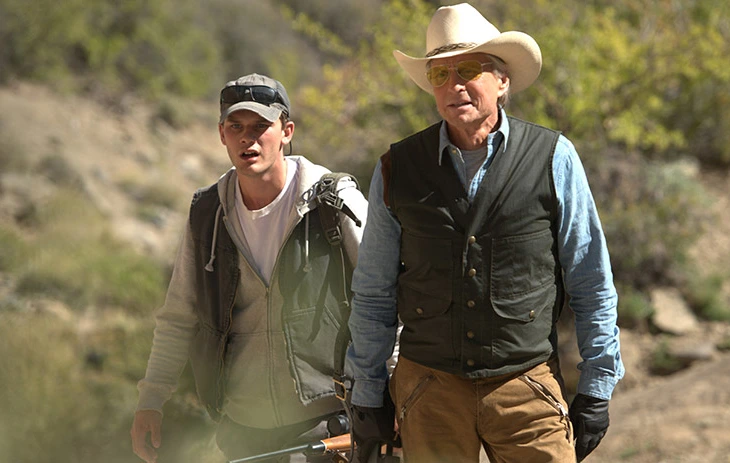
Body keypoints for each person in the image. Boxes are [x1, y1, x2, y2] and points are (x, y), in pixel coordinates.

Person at [345, 3, 624, 463]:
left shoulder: (554, 157)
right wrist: (367, 390)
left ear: (502, 80)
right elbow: (374, 291)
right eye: (440, 74)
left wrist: (597, 384)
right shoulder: (397, 167)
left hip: (526, 385)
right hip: (428, 389)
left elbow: (591, 280)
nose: (454, 85)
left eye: (469, 70)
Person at [130, 73, 367, 463]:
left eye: (260, 126)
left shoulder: (333, 201)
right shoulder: (207, 213)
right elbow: (178, 317)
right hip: (242, 430)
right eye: (236, 127)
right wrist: (151, 400)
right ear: (221, 135)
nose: (247, 138)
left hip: (329, 424)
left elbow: (383, 298)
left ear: (286, 132)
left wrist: (391, 392)